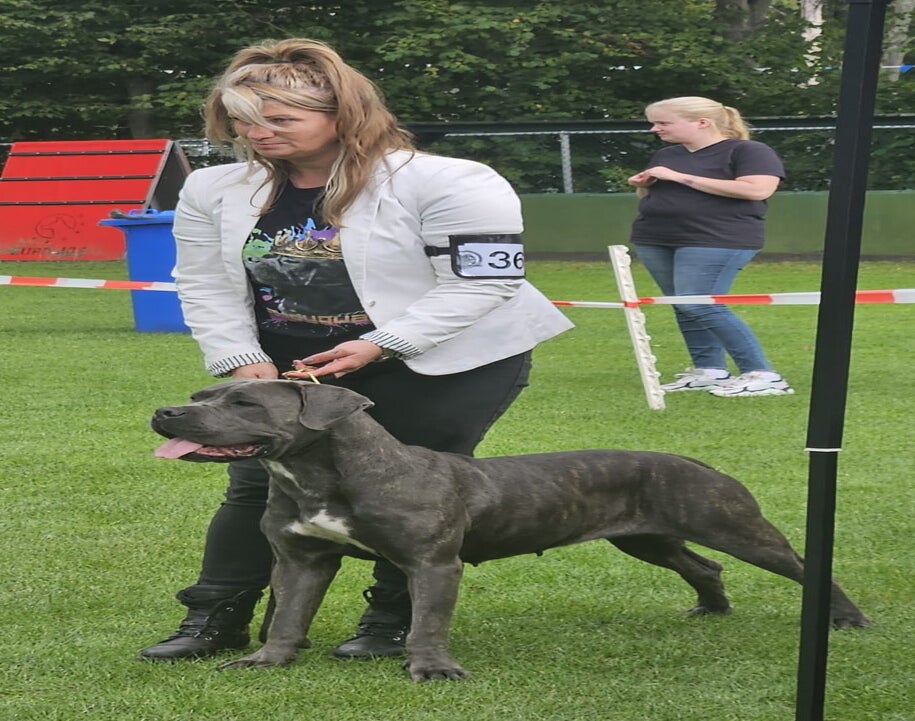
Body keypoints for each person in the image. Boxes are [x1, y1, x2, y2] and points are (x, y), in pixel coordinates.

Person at [136, 38, 572, 662]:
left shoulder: (453, 180)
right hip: (290, 368)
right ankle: (215, 617)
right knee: (254, 486)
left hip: (443, 358)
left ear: (344, 116)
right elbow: (202, 281)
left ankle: (391, 623)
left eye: (280, 119)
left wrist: (379, 344)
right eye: (241, 120)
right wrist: (238, 358)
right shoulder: (213, 187)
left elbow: (483, 282)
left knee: (413, 489)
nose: (256, 133)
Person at [627, 96, 793, 397]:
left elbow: (757, 190)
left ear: (702, 122)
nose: (655, 129)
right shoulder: (667, 154)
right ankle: (709, 370)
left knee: (698, 303)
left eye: (663, 122)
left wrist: (678, 177)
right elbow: (655, 193)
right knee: (682, 304)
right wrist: (645, 183)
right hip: (655, 237)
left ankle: (763, 374)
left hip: (717, 238)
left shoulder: (749, 151)